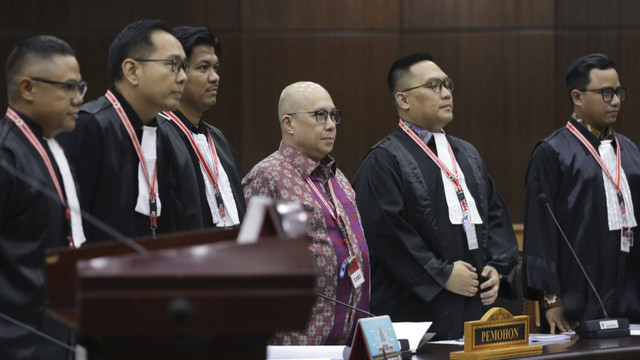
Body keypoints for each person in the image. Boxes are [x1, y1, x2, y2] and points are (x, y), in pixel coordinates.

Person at [352, 53, 518, 340]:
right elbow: (388, 237)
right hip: (417, 314)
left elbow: (495, 215)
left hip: (475, 307)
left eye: (447, 84)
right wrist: (441, 274)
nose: (446, 93)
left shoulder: (467, 153)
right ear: (403, 100)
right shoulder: (383, 161)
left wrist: (497, 267)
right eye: (433, 86)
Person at [242, 81, 370, 345]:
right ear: (288, 124)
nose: (331, 124)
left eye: (334, 115)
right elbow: (250, 271)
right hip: (297, 346)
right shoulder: (268, 177)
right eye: (319, 115)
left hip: (349, 341)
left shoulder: (338, 177)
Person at [523, 53, 640, 333]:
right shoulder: (552, 153)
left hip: (630, 294)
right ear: (577, 96)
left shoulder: (631, 151)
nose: (616, 101)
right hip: (577, 300)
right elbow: (541, 231)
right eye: (606, 93)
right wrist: (551, 300)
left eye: (619, 92)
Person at [57, 20, 203, 242]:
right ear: (132, 70)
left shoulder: (161, 133)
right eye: (173, 64)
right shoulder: (89, 126)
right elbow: (69, 226)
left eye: (183, 66)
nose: (183, 76)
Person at [1, 35, 86, 359]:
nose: (78, 98)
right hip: (17, 341)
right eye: (68, 87)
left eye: (80, 87)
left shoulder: (53, 147)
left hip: (55, 334)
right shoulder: (7, 156)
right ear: (27, 88)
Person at [160, 26, 245, 228]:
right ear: (176, 73)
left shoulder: (218, 139)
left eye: (216, 68)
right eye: (203, 68)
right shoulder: (159, 135)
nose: (215, 77)